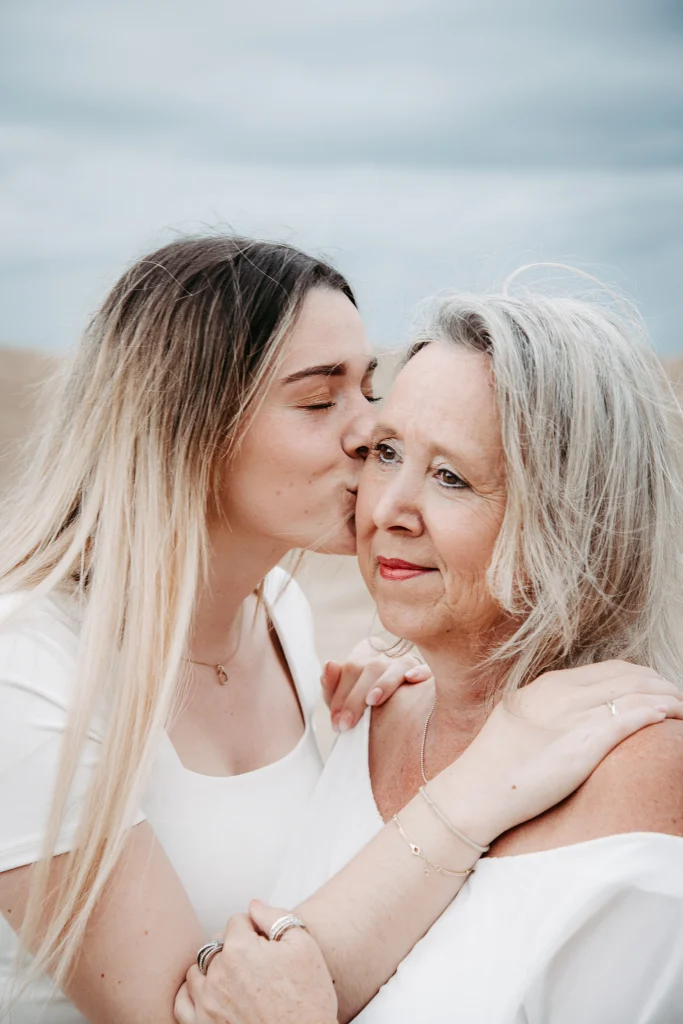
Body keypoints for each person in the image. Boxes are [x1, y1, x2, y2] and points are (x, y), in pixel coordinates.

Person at [0, 240, 679, 1024]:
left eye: (368, 389)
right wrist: (482, 781)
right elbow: (204, 1013)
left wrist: (364, 699)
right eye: (320, 402)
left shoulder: (279, 616)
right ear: (182, 429)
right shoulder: (29, 666)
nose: (368, 431)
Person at [181, 280, 683, 1024]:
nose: (383, 509)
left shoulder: (641, 782)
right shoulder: (374, 713)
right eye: (386, 452)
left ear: (573, 520)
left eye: (451, 477)